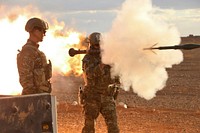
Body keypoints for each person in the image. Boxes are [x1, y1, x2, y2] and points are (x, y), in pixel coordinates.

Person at [81, 32, 120, 133]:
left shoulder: (109, 58)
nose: (99, 47)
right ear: (91, 45)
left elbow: (117, 77)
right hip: (92, 97)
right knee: (89, 128)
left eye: (100, 45)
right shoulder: (87, 59)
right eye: (96, 45)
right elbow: (90, 74)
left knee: (113, 128)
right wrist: (102, 64)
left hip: (107, 96)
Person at [17, 17, 52, 95]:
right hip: (33, 99)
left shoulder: (35, 51)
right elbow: (26, 80)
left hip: (40, 96)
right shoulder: (28, 52)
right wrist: (34, 98)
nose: (44, 34)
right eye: (43, 31)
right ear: (36, 31)